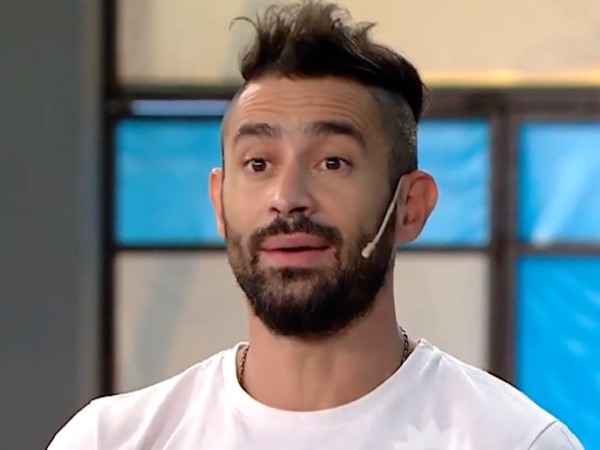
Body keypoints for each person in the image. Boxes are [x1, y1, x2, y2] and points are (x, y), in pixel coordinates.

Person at [48, 1, 584, 449]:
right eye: (258, 163)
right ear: (219, 202)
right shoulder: (109, 439)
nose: (288, 198)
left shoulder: (513, 440)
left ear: (410, 206)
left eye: (333, 162)